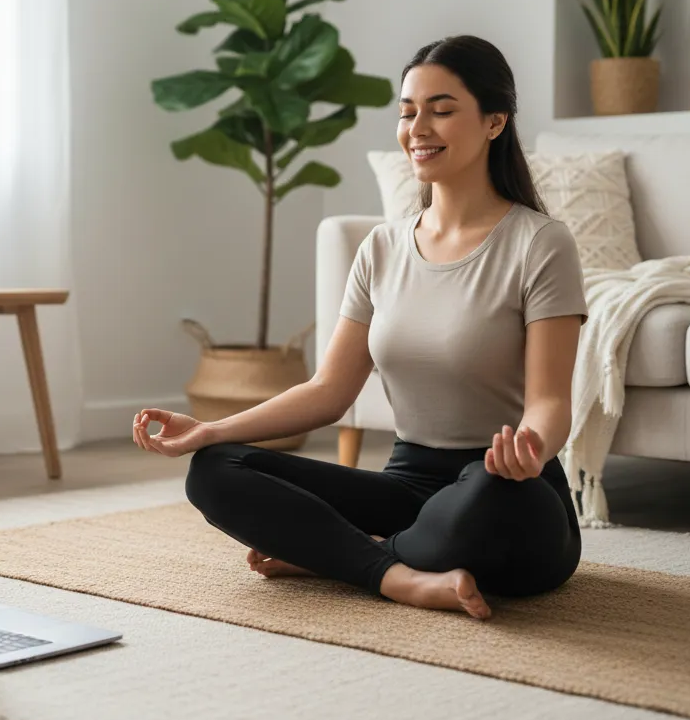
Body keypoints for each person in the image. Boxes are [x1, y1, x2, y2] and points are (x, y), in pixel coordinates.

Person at [132, 35, 587, 621]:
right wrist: (210, 431)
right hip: (409, 487)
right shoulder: (382, 246)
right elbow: (328, 392)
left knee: (482, 502)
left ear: (495, 121)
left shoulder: (540, 244)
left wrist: (531, 449)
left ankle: (341, 557)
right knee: (217, 470)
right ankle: (397, 574)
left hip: (506, 488)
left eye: (442, 110)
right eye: (407, 112)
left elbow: (551, 402)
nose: (418, 127)